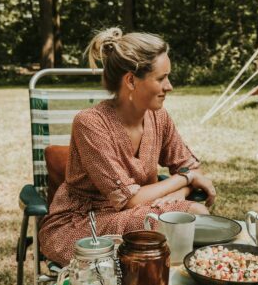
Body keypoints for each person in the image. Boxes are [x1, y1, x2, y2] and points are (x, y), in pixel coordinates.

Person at [39, 28, 215, 266]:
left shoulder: (159, 118)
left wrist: (177, 194)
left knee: (192, 218)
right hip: (84, 225)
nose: (170, 86)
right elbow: (130, 200)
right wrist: (186, 178)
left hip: (142, 211)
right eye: (161, 78)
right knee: (186, 220)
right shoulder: (90, 123)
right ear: (131, 80)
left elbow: (190, 166)